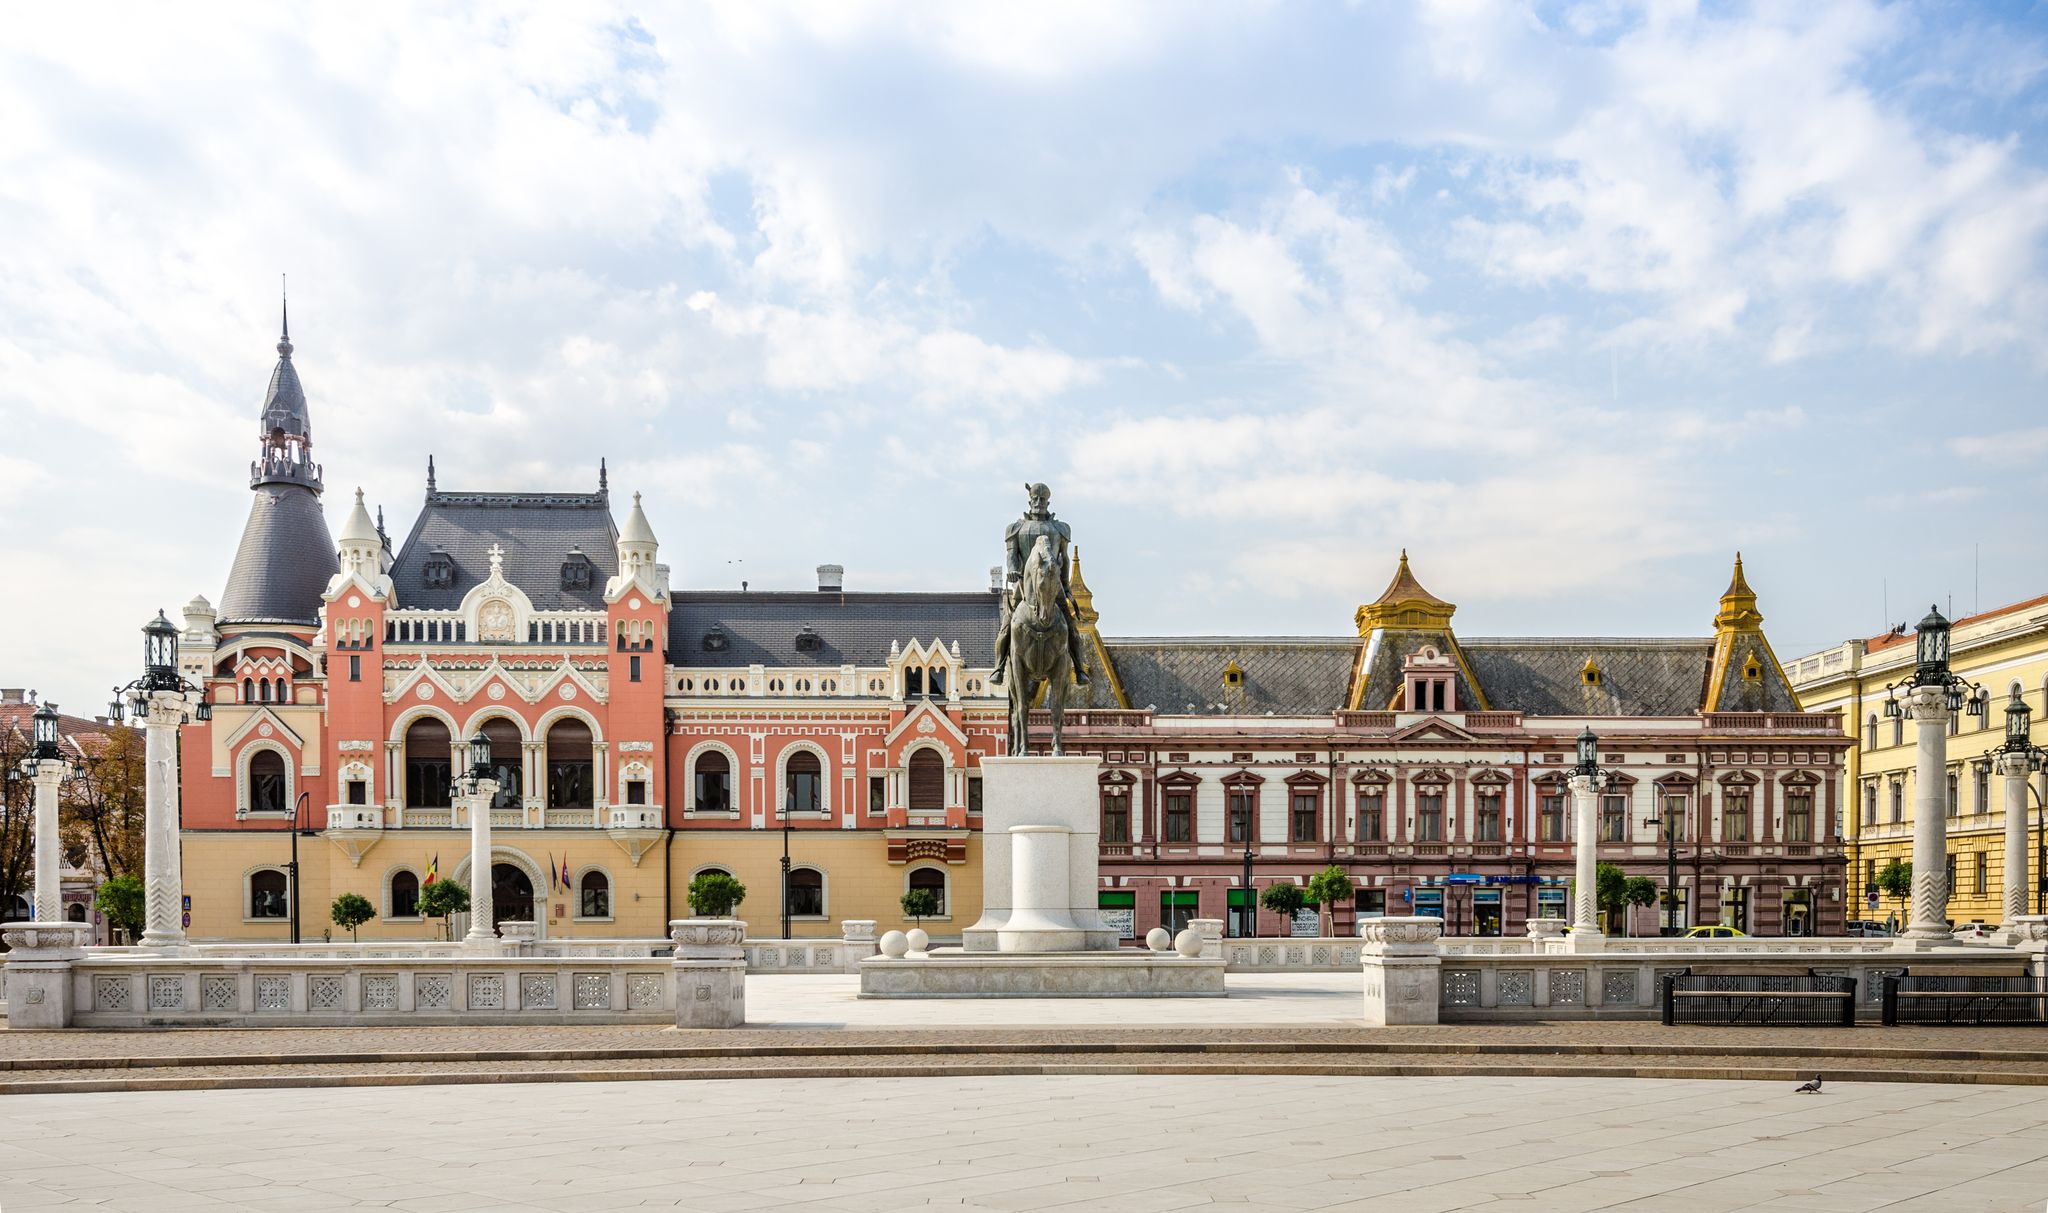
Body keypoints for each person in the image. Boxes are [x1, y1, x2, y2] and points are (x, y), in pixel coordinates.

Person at [990, 482, 1089, 687]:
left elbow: (1064, 559)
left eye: (1042, 499)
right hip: (1024, 588)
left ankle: (1079, 668)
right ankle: (999, 667)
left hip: (1053, 588)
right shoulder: (1016, 529)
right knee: (1007, 626)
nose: (1038, 502)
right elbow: (1012, 555)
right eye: (1035, 498)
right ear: (1030, 500)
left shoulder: (1060, 529)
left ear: (1048, 502)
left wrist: (1065, 586)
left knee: (1071, 626)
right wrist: (1013, 571)